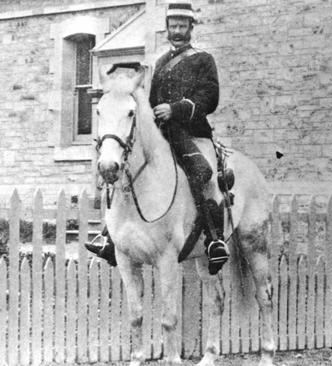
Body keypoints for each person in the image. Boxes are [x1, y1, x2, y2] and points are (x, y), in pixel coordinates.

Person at [86, 0, 229, 275]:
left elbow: (210, 98)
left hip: (192, 132)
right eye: (173, 26)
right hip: (162, 133)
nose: (177, 31)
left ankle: (214, 239)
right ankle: (109, 234)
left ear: (190, 27)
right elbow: (152, 101)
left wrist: (176, 109)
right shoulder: (161, 62)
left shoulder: (203, 59)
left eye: (182, 26)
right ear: (167, 29)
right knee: (130, 168)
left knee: (201, 171)